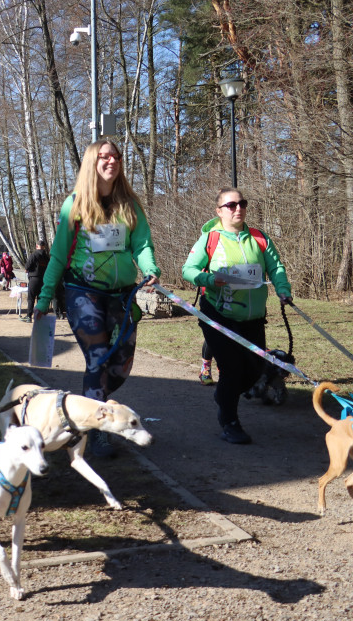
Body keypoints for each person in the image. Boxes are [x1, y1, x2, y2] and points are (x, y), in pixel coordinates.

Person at [34, 140, 160, 456]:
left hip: (121, 295)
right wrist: (45, 296)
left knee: (119, 366)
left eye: (116, 156)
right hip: (82, 293)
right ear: (92, 162)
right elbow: (59, 255)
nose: (111, 161)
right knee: (98, 357)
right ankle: (96, 430)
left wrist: (150, 268)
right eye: (104, 156)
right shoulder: (74, 204)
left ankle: (86, 407)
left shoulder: (129, 204)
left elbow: (142, 245)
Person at [181, 188, 293, 444]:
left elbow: (275, 267)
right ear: (219, 211)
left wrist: (283, 290)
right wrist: (210, 278)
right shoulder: (211, 238)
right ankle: (230, 422)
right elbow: (188, 270)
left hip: (253, 318)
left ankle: (224, 395)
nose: (238, 208)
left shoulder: (259, 238)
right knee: (232, 369)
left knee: (253, 371)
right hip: (218, 316)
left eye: (242, 203)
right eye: (231, 205)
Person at [23, 240, 50, 323]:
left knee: (31, 298)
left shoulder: (34, 255)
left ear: (36, 246)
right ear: (44, 247)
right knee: (40, 298)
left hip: (34, 278)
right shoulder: (46, 257)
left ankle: (29, 316)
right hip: (43, 279)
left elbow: (27, 267)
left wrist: (28, 270)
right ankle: (39, 316)